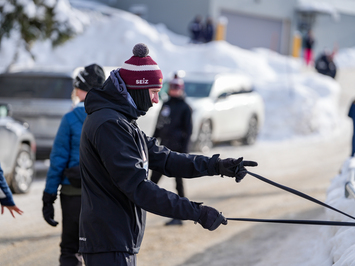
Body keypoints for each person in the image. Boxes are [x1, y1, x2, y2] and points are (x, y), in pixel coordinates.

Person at [78, 43, 258, 266]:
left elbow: (166, 158)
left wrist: (217, 166)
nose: (156, 100)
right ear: (138, 87)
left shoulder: (122, 122)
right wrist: (197, 212)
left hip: (116, 241)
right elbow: (140, 189)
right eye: (154, 92)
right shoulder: (110, 125)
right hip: (109, 242)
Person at [42, 64, 105, 266]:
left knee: (70, 248)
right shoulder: (111, 117)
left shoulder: (70, 119)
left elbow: (58, 160)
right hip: (102, 197)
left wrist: (48, 196)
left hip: (72, 194)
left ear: (80, 89)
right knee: (101, 249)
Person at [150, 74, 192, 226]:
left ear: (181, 89)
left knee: (178, 184)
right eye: (172, 88)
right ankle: (138, 207)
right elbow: (159, 124)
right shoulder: (166, 104)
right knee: (151, 182)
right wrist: (152, 142)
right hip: (162, 151)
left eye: (177, 88)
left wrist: (184, 154)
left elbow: (188, 132)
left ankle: (182, 214)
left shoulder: (185, 107)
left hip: (176, 153)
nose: (174, 91)